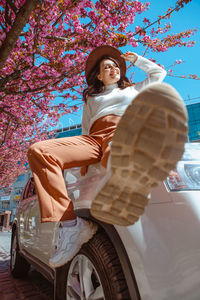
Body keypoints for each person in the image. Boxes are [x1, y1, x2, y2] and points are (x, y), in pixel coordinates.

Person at [28, 45, 188, 268]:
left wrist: (136, 60)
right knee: (39, 151)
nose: (112, 69)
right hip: (94, 139)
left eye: (115, 66)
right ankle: (70, 225)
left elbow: (159, 74)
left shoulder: (134, 89)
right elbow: (85, 130)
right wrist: (82, 161)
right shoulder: (92, 100)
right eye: (107, 67)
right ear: (99, 76)